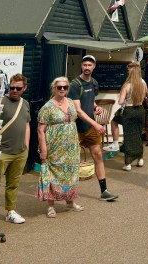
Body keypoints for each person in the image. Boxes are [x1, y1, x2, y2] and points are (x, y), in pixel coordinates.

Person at [36, 76, 106, 217]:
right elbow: (40, 130)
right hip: (54, 146)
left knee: (71, 173)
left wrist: (95, 109)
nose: (62, 89)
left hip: (71, 146)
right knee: (53, 174)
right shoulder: (47, 107)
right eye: (59, 87)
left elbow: (82, 111)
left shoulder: (70, 102)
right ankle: (51, 206)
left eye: (65, 87)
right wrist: (43, 149)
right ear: (54, 88)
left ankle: (70, 201)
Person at [0, 73, 30, 231]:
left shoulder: (25, 103)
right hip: (0, 151)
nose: (14, 90)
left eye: (18, 88)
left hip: (20, 152)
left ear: (24, 88)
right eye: (12, 87)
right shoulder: (0, 101)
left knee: (13, 184)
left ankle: (10, 211)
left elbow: (27, 125)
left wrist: (26, 146)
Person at [68, 55, 118, 201]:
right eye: (85, 65)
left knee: (97, 155)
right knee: (71, 160)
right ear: (81, 66)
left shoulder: (94, 83)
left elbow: (91, 100)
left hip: (89, 127)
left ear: (94, 66)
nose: (87, 67)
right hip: (75, 127)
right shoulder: (75, 85)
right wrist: (96, 124)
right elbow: (78, 111)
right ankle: (69, 193)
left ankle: (104, 191)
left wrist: (96, 107)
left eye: (90, 65)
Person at [118, 62, 148, 171]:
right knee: (139, 135)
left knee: (129, 136)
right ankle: (140, 159)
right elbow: (145, 96)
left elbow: (120, 102)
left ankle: (128, 163)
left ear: (130, 72)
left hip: (129, 111)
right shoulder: (143, 83)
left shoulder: (127, 85)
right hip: (140, 110)